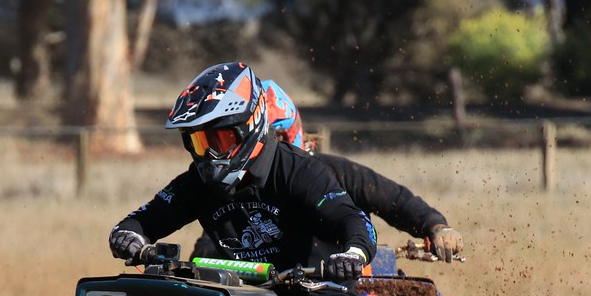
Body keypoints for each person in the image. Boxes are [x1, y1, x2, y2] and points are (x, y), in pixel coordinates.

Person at [109, 62, 377, 296]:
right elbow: (145, 218)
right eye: (198, 142)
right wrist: (129, 235)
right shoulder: (197, 184)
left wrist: (354, 253)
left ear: (250, 125)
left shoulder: (299, 170)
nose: (208, 155)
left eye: (218, 139)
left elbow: (353, 219)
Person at [193, 79, 464, 263]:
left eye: (276, 137)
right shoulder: (234, 185)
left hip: (339, 284)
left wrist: (437, 228)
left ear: (292, 132)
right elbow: (215, 236)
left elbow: (395, 201)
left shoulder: (333, 170)